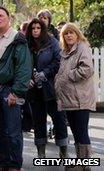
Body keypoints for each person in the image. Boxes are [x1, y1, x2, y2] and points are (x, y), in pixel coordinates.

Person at [0, 6, 32, 171]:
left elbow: (24, 69)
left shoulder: (17, 38)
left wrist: (16, 92)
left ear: (9, 18)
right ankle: (3, 164)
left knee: (13, 132)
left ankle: (14, 165)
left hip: (9, 89)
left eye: (0, 15)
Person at [55, 23, 96, 171]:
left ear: (77, 34)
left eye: (72, 32)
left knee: (81, 131)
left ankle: (85, 164)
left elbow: (87, 69)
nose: (69, 35)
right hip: (70, 99)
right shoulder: (66, 51)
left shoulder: (82, 47)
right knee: (77, 131)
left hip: (80, 99)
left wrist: (69, 75)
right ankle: (81, 162)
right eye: (66, 33)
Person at [25, 18, 68, 159]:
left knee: (59, 119)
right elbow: (21, 64)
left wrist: (45, 73)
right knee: (38, 121)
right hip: (33, 89)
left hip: (50, 87)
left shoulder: (52, 42)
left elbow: (58, 61)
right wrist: (28, 78)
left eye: (38, 28)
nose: (35, 30)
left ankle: (63, 150)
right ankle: (41, 153)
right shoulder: (26, 44)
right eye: (33, 28)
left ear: (42, 29)